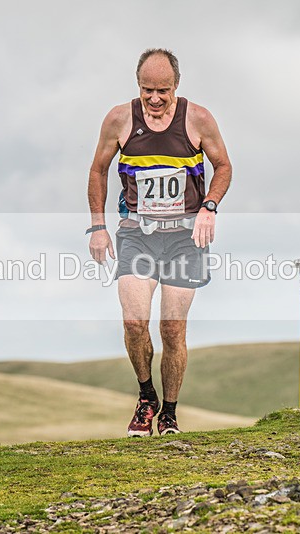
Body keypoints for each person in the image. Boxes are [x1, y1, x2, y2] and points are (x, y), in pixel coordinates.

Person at [87, 49, 232, 435]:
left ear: (176, 87)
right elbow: (99, 170)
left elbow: (224, 166)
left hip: (186, 237)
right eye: (147, 89)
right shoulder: (119, 119)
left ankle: (169, 412)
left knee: (172, 329)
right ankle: (145, 396)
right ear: (138, 86)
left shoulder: (198, 119)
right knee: (135, 321)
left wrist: (209, 207)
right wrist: (98, 226)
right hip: (137, 234)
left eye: (162, 91)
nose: (154, 98)